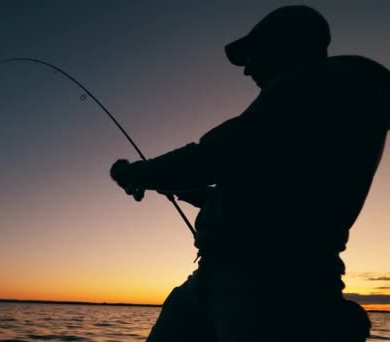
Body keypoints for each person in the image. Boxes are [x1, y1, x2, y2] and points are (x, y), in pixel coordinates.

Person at [110, 5, 389, 342]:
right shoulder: (318, 103)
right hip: (222, 276)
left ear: (283, 45)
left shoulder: (311, 88)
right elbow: (278, 195)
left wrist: (135, 174)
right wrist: (198, 195)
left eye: (251, 56)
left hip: (269, 284)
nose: (246, 72)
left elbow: (212, 155)